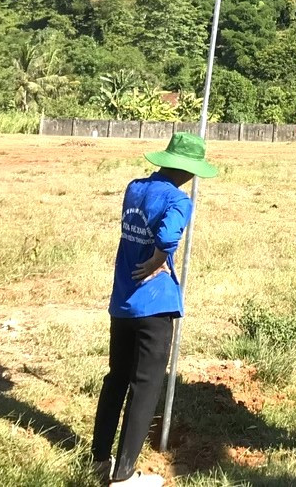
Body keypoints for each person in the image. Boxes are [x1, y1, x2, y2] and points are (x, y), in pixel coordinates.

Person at [91, 132, 218, 487]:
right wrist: (158, 258)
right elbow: (168, 235)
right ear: (188, 170)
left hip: (123, 302)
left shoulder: (135, 188)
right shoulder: (179, 200)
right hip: (155, 306)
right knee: (145, 386)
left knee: (116, 378)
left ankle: (100, 458)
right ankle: (124, 475)